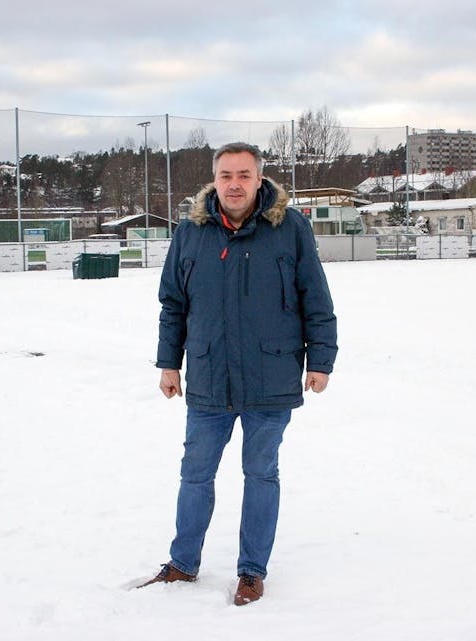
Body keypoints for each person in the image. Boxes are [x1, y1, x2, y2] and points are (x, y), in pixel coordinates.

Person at [138, 142, 338, 605]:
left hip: (272, 373)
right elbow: (174, 304)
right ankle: (183, 563)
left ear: (259, 179)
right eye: (226, 174)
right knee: (195, 474)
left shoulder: (290, 228)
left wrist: (321, 360)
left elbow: (316, 297)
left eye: (244, 175)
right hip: (209, 375)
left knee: (260, 473)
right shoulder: (191, 231)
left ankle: (251, 571)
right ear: (214, 178)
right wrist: (170, 362)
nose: (234, 184)